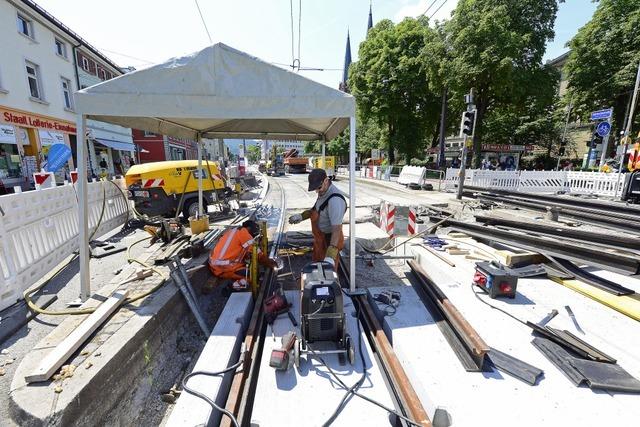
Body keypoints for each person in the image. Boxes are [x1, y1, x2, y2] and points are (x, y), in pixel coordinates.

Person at [289, 168, 347, 268]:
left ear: (326, 181)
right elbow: (315, 210)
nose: (317, 191)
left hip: (330, 240)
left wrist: (330, 255)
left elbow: (337, 230)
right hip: (320, 239)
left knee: (328, 272)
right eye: (315, 189)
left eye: (318, 188)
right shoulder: (323, 192)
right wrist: (301, 216)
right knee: (317, 267)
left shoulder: (335, 201)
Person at [208, 220, 276, 291]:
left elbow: (237, 249)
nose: (252, 236)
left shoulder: (233, 231)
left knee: (247, 266)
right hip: (223, 267)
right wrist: (271, 263)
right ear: (249, 228)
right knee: (253, 276)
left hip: (215, 264)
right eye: (253, 233)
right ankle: (232, 287)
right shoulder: (244, 233)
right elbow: (259, 255)